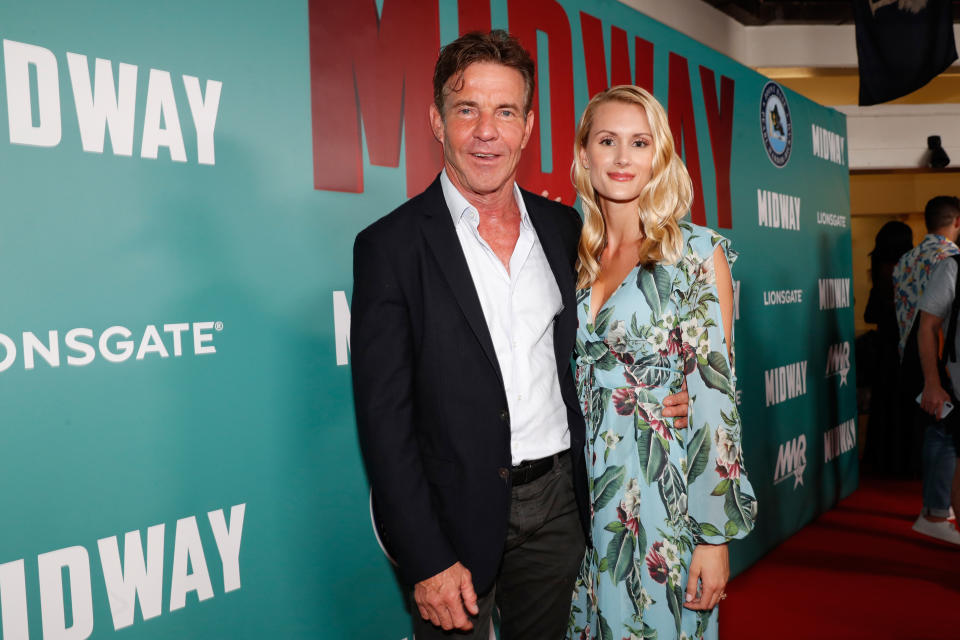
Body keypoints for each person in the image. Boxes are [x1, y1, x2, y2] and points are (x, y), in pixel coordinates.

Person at [350, 31, 689, 639]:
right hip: (451, 517)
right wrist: (426, 558)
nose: (487, 131)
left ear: (528, 127)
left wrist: (660, 395)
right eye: (467, 110)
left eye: (505, 111)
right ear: (436, 120)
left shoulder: (567, 232)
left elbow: (610, 348)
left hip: (562, 504)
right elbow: (383, 421)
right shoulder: (389, 247)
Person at [565, 86, 756, 640]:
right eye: (607, 141)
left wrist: (713, 538)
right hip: (571, 502)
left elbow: (716, 403)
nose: (623, 158)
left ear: (660, 157)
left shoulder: (696, 253)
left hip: (657, 495)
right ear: (584, 155)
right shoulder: (567, 255)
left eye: (639, 142)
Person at [893, 195, 960, 543]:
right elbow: (932, 323)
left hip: (912, 355)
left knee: (938, 430)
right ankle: (935, 509)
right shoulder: (948, 259)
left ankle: (937, 507)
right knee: (944, 433)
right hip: (936, 355)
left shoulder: (907, 258)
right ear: (956, 221)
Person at [860, 221, 913, 473]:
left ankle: (883, 460)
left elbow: (869, 315)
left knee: (884, 406)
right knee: (906, 407)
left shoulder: (881, 270)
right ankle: (905, 460)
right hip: (906, 350)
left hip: (884, 352)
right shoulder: (913, 270)